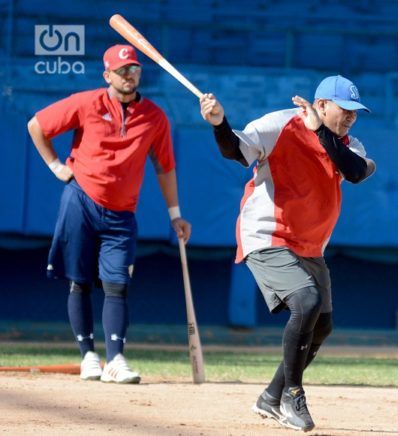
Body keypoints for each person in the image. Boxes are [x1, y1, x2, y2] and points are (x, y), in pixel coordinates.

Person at [199, 75, 375, 431]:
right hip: (267, 235)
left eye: (356, 112)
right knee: (306, 302)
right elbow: (236, 149)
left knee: (322, 325)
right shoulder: (278, 124)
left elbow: (355, 172)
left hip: (311, 246)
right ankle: (292, 396)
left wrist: (320, 131)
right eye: (346, 110)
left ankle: (270, 396)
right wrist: (220, 123)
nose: (352, 118)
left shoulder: (349, 144)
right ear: (322, 104)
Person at [26, 44, 191, 384]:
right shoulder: (87, 103)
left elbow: (165, 167)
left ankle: (115, 359)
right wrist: (55, 165)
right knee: (80, 281)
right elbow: (36, 125)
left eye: (133, 69)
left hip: (121, 215)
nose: (129, 75)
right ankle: (88, 355)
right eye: (121, 70)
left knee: (117, 284)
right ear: (108, 75)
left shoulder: (156, 117)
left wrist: (175, 214)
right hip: (81, 201)